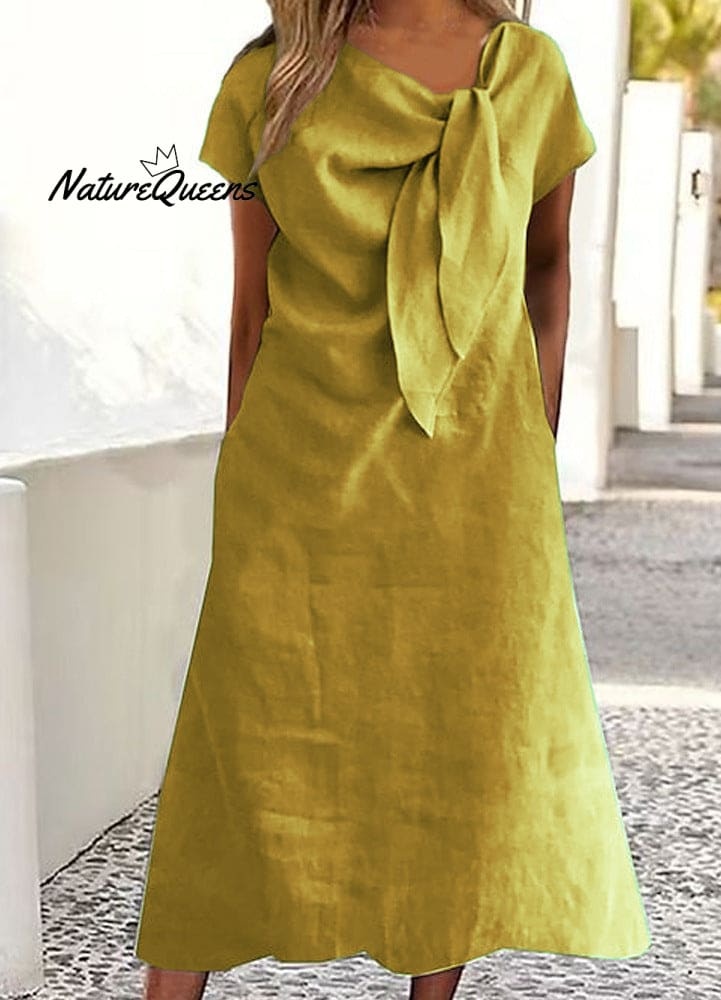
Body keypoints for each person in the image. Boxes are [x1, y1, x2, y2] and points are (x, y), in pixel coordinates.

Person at [134, 1, 652, 998]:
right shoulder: (270, 76)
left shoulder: (530, 73)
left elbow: (547, 270)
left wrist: (527, 443)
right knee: (237, 749)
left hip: (475, 487)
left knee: (450, 748)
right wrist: (239, 490)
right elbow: (252, 307)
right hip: (296, 476)